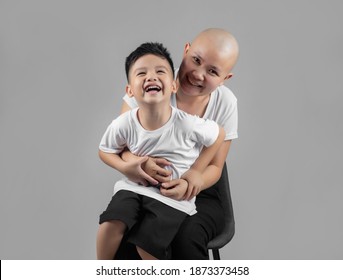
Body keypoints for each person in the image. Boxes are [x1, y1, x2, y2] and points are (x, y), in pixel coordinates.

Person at [97, 42, 225, 260]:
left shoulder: (186, 123)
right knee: (111, 224)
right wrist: (127, 167)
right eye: (141, 73)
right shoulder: (124, 123)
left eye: (160, 72)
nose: (151, 77)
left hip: (171, 197)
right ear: (130, 90)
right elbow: (105, 151)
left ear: (173, 86)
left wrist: (195, 171)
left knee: (147, 245)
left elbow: (219, 135)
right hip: (133, 188)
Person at [119, 28, 239, 259]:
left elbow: (215, 166)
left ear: (225, 79)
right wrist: (140, 163)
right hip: (148, 184)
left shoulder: (226, 102)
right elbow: (121, 147)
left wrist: (192, 181)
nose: (198, 74)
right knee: (126, 231)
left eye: (213, 71)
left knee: (187, 234)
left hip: (199, 189)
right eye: (195, 60)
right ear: (185, 51)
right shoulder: (151, 83)